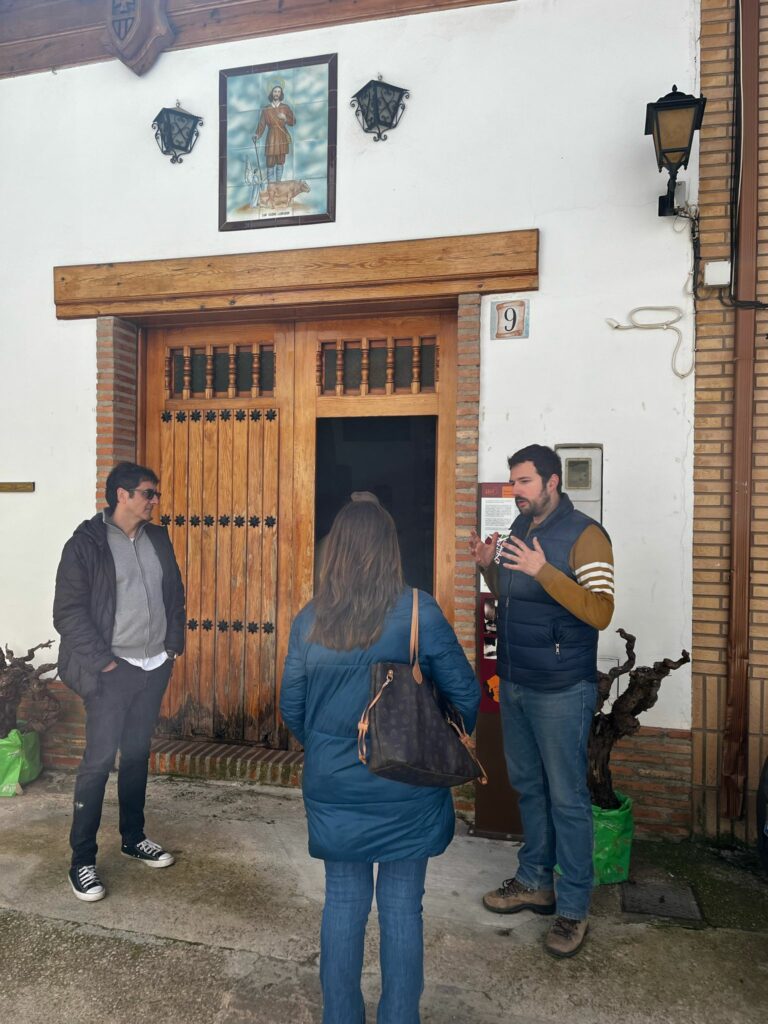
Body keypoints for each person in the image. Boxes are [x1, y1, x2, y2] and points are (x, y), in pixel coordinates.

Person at [280, 500, 479, 1023]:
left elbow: (292, 710)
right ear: (392, 548)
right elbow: (467, 697)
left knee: (342, 902)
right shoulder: (419, 611)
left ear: (335, 551)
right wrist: (427, 738)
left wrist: (331, 747)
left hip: (333, 784)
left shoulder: (309, 619)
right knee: (401, 907)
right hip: (406, 782)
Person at [469, 444, 614, 958]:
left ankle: (573, 907)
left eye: (525, 482)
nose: (517, 492)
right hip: (516, 682)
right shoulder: (519, 532)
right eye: (513, 482)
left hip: (561, 689)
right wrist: (491, 569)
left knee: (567, 798)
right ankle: (535, 881)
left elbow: (600, 611)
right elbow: (513, 597)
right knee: (529, 787)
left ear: (553, 482)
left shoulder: (586, 536)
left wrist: (543, 571)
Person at [53, 462, 185, 902]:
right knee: (97, 763)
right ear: (122, 496)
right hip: (112, 671)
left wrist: (172, 647)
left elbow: (174, 594)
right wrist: (103, 663)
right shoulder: (85, 545)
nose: (155, 501)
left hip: (153, 666)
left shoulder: (158, 539)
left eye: (156, 494)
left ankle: (133, 837)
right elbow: (67, 612)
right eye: (149, 493)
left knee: (137, 754)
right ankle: (82, 861)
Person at [253, 84, 295, 183]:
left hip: (281, 136)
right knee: (270, 162)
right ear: (272, 93)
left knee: (280, 162)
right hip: (271, 137)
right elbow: (262, 124)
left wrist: (285, 117)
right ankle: (271, 186)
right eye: (275, 91)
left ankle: (278, 185)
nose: (276, 93)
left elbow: (293, 121)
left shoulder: (285, 107)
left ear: (281, 94)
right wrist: (257, 135)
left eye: (278, 91)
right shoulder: (266, 109)